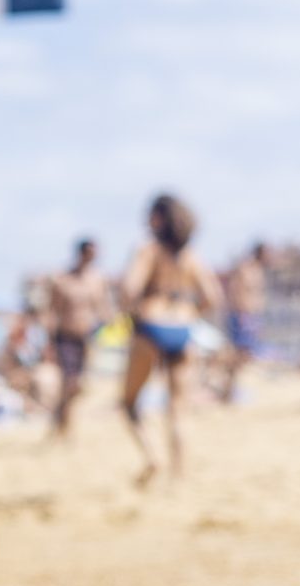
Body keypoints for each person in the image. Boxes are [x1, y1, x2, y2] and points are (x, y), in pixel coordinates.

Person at [117, 195, 224, 487]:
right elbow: (213, 297)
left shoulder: (148, 250)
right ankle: (179, 477)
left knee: (129, 403)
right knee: (178, 409)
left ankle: (153, 457)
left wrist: (133, 314)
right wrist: (190, 312)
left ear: (158, 218)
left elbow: (128, 289)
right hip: (183, 328)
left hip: (151, 326)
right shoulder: (190, 256)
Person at [42, 238, 111, 439]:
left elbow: (103, 309)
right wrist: (49, 342)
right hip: (65, 337)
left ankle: (59, 418)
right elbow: (52, 312)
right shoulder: (63, 280)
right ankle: (66, 427)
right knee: (70, 382)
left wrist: (106, 325)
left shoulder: (97, 280)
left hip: (88, 338)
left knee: (78, 385)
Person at [218, 242, 268, 402]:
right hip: (241, 315)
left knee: (244, 355)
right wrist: (240, 315)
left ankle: (229, 387)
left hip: (251, 316)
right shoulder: (245, 269)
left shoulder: (258, 270)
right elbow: (235, 291)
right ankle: (226, 387)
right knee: (237, 353)